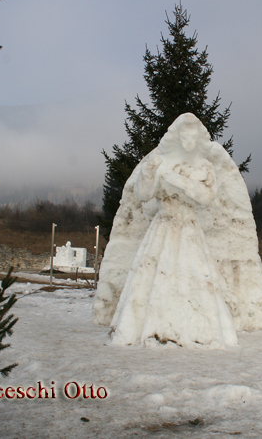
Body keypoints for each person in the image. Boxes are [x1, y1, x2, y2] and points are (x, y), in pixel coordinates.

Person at [109, 114, 238, 348]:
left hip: (189, 230)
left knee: (194, 280)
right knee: (155, 276)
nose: (188, 139)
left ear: (199, 139)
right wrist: (148, 173)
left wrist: (177, 181)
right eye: (184, 135)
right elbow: (143, 195)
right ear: (177, 137)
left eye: (193, 135)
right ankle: (152, 328)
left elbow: (206, 197)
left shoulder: (205, 166)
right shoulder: (162, 161)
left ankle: (195, 330)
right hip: (163, 227)